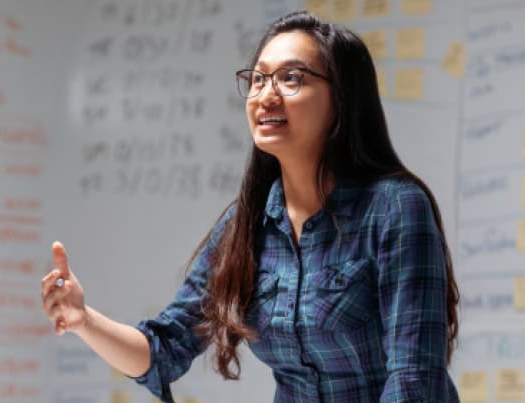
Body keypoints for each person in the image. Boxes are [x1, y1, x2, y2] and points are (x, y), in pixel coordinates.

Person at [41, 10, 460, 402]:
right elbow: (165, 349)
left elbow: (414, 380)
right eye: (257, 80)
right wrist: (82, 320)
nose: (266, 95)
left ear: (342, 99)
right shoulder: (247, 224)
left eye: (291, 78)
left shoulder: (395, 208)